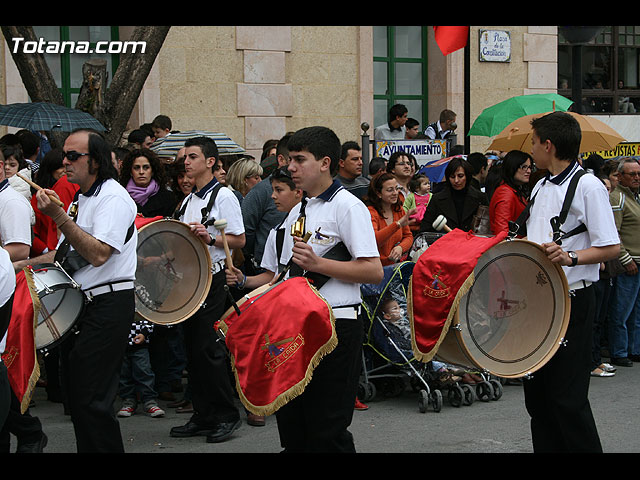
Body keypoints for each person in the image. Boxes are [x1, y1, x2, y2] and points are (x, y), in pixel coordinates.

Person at [13, 128, 138, 453]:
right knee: (80, 398)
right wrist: (14, 267)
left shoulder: (112, 197)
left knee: (93, 399)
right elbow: (66, 255)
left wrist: (57, 215)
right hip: (87, 302)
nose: (64, 161)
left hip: (108, 302)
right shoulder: (85, 198)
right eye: (64, 154)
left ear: (95, 161)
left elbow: (97, 253)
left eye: (73, 156)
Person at [272, 125, 383, 452]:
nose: (291, 167)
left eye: (299, 159)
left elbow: (373, 270)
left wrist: (318, 265)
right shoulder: (297, 210)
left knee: (327, 430)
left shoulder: (348, 207)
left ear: (324, 163)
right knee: (293, 427)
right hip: (296, 325)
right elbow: (286, 275)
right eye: (290, 159)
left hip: (335, 325)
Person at [523, 111, 619, 453]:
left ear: (549, 145)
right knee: (538, 399)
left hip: (572, 299)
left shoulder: (589, 186)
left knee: (567, 399)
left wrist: (572, 257)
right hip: (536, 301)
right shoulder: (540, 184)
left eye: (534, 142)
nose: (531, 149)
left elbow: (611, 246)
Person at [169, 136, 244, 444]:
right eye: (185, 157)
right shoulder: (188, 200)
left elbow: (239, 240)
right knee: (192, 350)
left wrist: (210, 239)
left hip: (212, 280)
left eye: (193, 157)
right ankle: (203, 414)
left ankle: (226, 415)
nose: (186, 161)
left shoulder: (224, 195)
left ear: (210, 162)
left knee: (209, 350)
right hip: (189, 281)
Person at [607, 158, 640, 368]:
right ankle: (619, 351)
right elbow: (614, 233)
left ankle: (634, 349)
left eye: (639, 174)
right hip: (629, 263)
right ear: (620, 177)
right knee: (621, 310)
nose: (637, 177)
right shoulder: (617, 198)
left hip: (638, 261)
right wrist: (626, 258)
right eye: (632, 174)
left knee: (636, 311)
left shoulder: (635, 197)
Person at [242, 132, 292, 272]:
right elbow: (247, 230)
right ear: (281, 160)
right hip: (265, 269)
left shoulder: (307, 189)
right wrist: (260, 254)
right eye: (294, 160)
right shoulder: (260, 191)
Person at [420, 157, 487, 233]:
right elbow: (425, 228)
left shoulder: (480, 198)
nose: (456, 180)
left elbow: (486, 228)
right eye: (452, 177)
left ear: (467, 176)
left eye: (460, 176)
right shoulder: (437, 199)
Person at [117, 316, 165, 418]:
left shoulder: (141, 301)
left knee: (144, 372)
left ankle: (149, 401)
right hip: (120, 343)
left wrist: (144, 333)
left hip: (140, 345)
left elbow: (151, 316)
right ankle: (128, 402)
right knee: (123, 374)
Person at [365, 172, 415, 266]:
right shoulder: (371, 212)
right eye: (390, 190)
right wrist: (397, 224)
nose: (395, 193)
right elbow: (375, 241)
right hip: (375, 267)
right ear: (378, 193)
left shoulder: (398, 210)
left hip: (396, 266)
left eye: (396, 188)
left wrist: (401, 247)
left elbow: (408, 236)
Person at [120, 148, 176, 218]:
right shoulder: (121, 196)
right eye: (136, 168)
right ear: (131, 172)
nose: (141, 172)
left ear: (152, 171)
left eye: (146, 167)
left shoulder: (168, 198)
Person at [488, 150, 532, 235]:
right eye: (524, 167)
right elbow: (502, 230)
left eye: (530, 167)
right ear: (512, 167)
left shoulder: (514, 190)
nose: (528, 171)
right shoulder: (505, 192)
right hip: (512, 246)